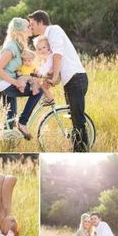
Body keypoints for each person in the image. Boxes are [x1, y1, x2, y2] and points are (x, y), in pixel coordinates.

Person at [28, 10, 89, 152]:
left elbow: (58, 55)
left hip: (76, 79)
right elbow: (56, 61)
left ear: (41, 22)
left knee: (78, 121)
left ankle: (82, 152)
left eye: (32, 24)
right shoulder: (48, 36)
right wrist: (51, 75)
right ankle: (77, 150)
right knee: (74, 119)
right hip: (70, 81)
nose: (31, 27)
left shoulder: (54, 30)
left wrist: (54, 77)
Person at [0, 17, 43, 140]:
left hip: (7, 82)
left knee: (11, 118)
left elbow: (28, 65)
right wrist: (16, 83)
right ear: (20, 31)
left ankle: (4, 141)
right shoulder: (11, 47)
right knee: (38, 91)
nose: (30, 27)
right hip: (3, 83)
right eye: (28, 26)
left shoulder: (18, 45)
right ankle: (23, 122)